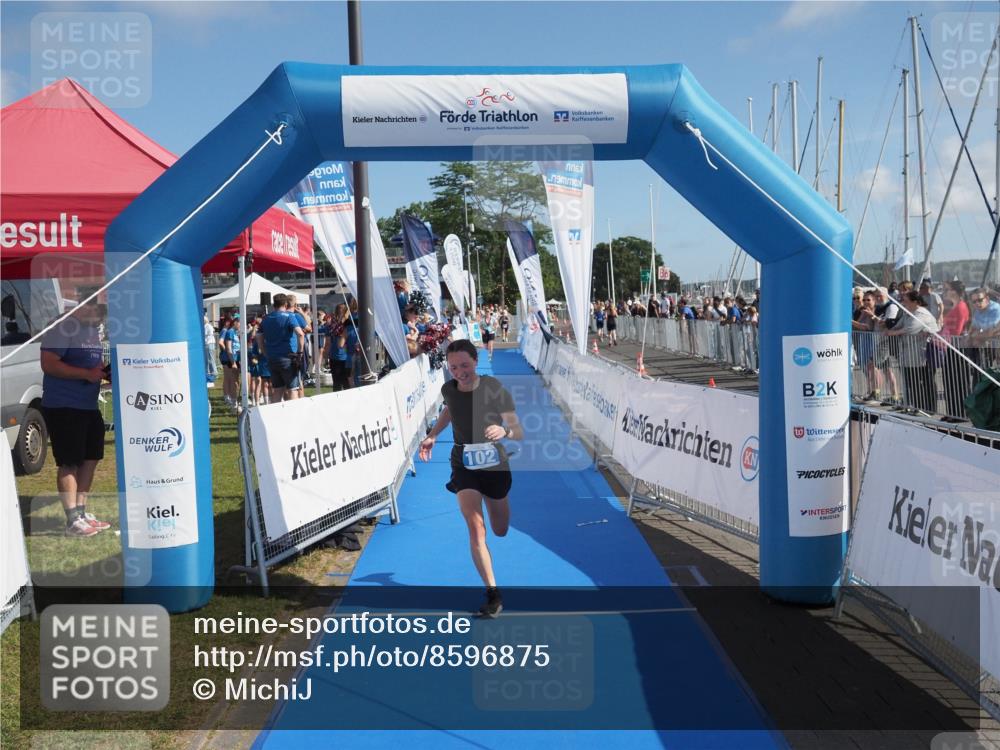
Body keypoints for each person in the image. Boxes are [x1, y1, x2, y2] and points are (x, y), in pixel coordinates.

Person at [418, 340, 523, 618]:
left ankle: (497, 503)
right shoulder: (448, 389)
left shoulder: (493, 388)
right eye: (453, 367)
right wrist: (432, 435)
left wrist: (505, 433)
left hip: (495, 466)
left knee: (499, 529)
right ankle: (493, 593)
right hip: (463, 463)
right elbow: (450, 409)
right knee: (476, 528)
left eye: (464, 365)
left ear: (476, 361)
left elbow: (517, 429)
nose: (460, 371)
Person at [40, 300, 112, 537]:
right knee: (69, 461)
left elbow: (93, 364)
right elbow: (48, 364)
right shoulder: (61, 326)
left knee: (91, 458)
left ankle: (81, 512)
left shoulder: (91, 329)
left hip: (88, 405)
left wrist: (104, 372)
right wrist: (87, 374)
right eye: (100, 314)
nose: (101, 321)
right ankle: (72, 519)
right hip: (63, 405)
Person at [886, 290, 939, 413]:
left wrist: (893, 333)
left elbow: (911, 329)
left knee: (925, 382)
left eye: (905, 300)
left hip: (922, 355)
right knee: (912, 382)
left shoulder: (922, 313)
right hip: (909, 354)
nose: (903, 302)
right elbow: (898, 326)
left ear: (915, 301)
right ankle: (916, 406)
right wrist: (891, 329)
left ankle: (929, 409)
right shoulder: (908, 313)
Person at [257, 293, 305, 402]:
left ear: (274, 304)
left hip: (272, 358)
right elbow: (301, 334)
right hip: (288, 358)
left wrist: (265, 352)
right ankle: (293, 416)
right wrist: (300, 353)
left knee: (277, 390)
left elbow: (259, 336)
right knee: (293, 389)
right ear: (285, 303)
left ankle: (276, 417)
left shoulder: (266, 318)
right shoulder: (289, 316)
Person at [203, 314, 217, 387]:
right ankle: (208, 372)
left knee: (211, 358)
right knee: (207, 359)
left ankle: (214, 372)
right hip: (206, 344)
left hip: (210, 343)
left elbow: (210, 334)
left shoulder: (208, 326)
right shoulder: (205, 326)